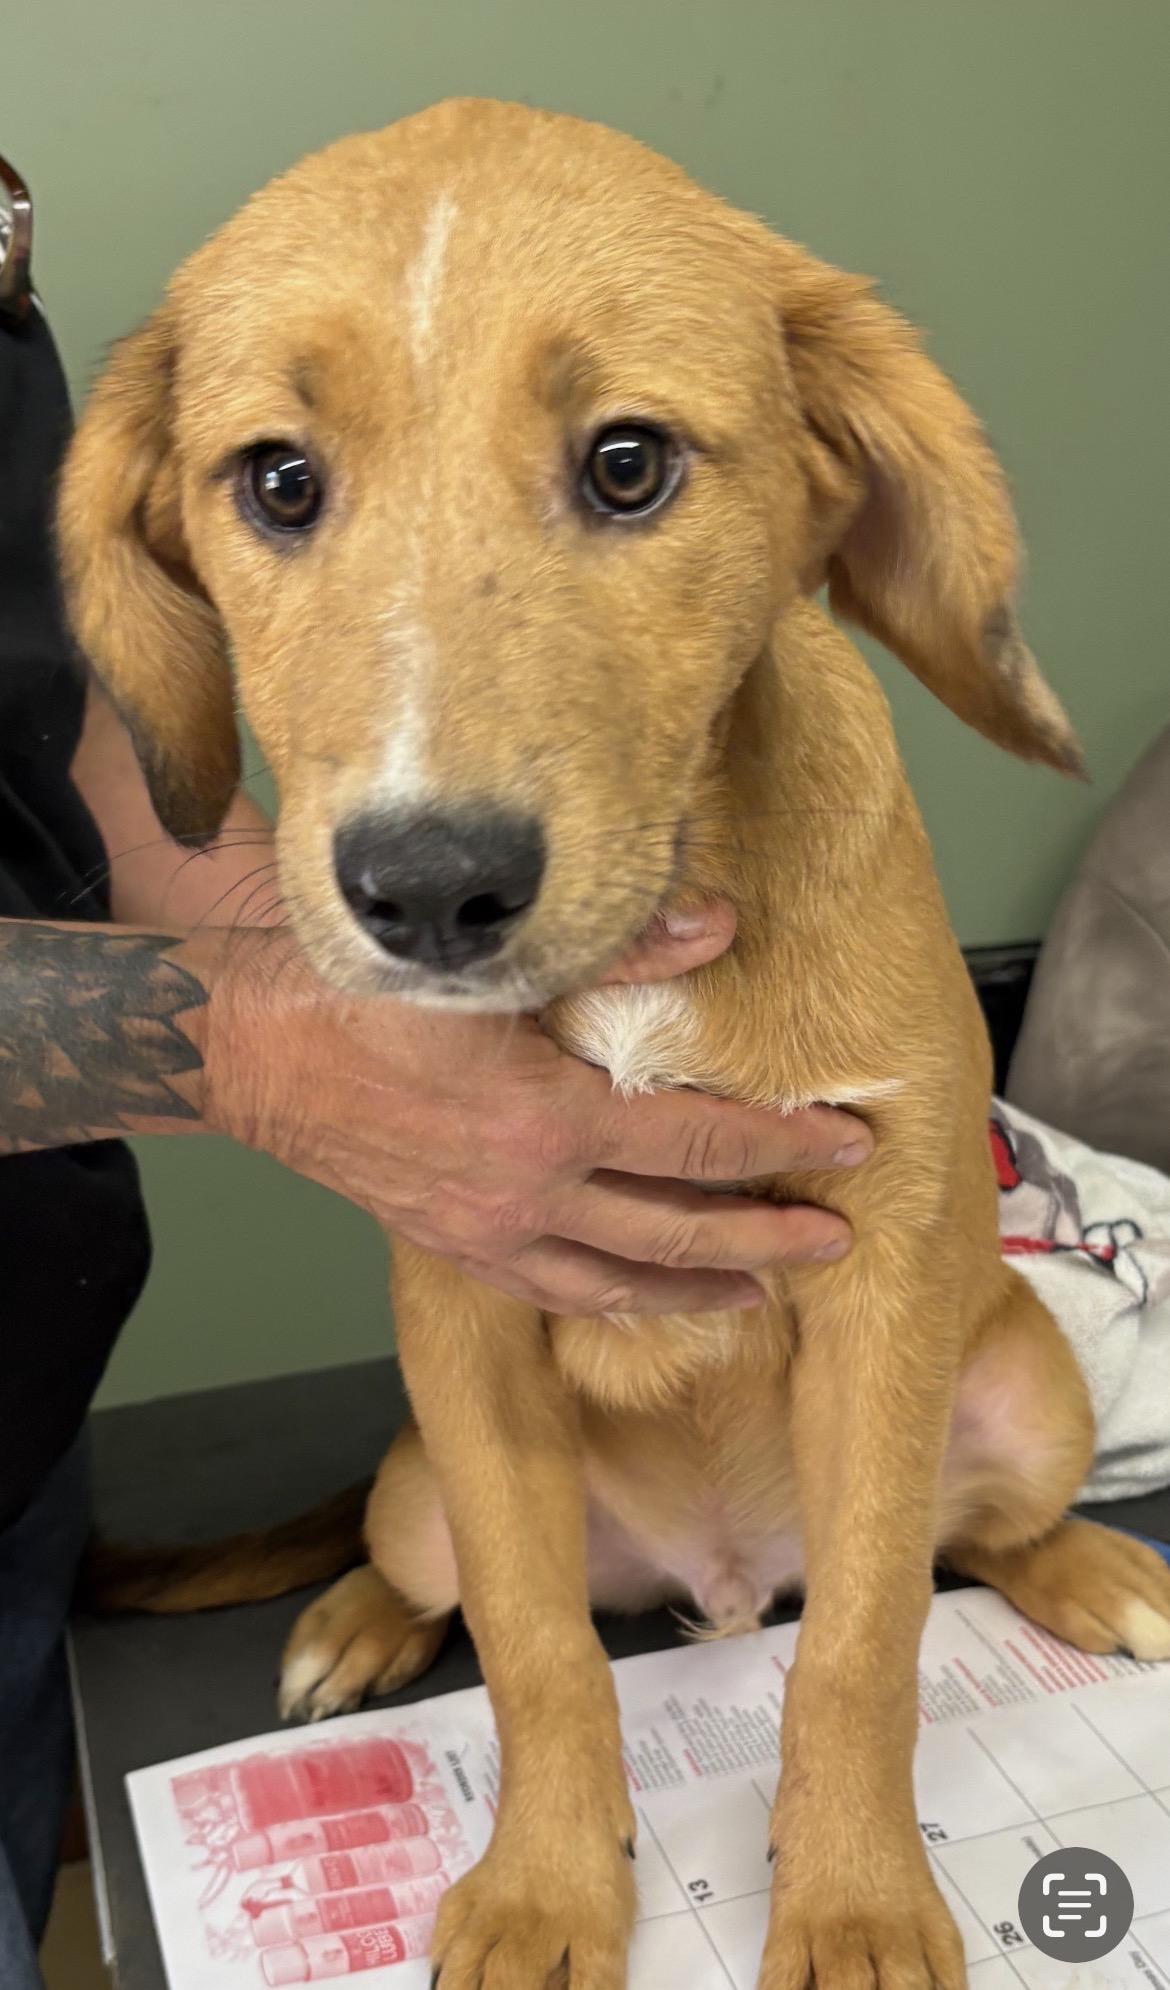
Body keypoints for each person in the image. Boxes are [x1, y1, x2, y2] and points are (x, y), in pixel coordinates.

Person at [0, 158, 870, 1986]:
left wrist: (286, 992)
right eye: (284, 483)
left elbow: (47, 715)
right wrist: (250, 1041)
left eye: (622, 466)